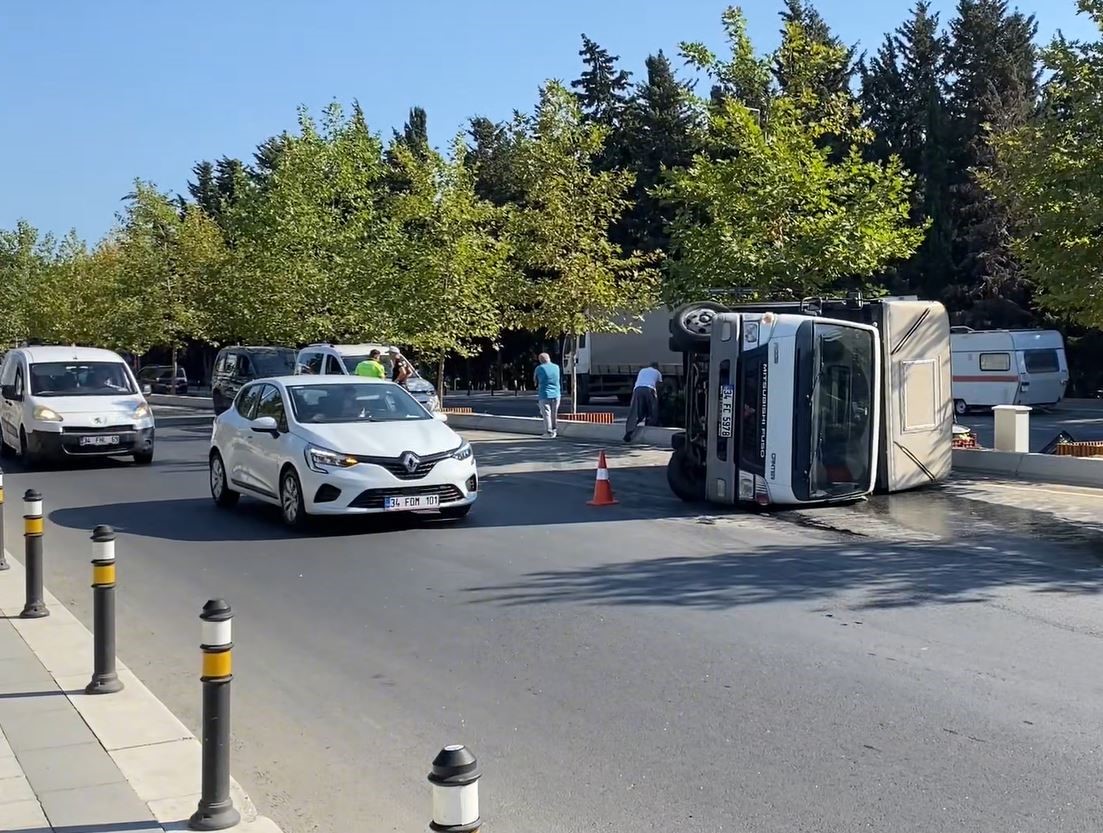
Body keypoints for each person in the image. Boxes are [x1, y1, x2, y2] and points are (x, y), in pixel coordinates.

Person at [624, 362, 662, 442]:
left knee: (635, 411)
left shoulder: (642, 370)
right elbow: (659, 386)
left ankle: (629, 432)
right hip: (649, 389)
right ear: (656, 367)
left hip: (637, 389)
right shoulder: (658, 373)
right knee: (653, 410)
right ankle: (650, 425)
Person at [533, 352, 561, 438]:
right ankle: (554, 430)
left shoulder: (539, 368)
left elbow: (535, 381)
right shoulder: (557, 367)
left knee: (546, 413)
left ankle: (548, 432)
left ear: (540, 360)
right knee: (554, 413)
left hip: (544, 394)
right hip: (556, 394)